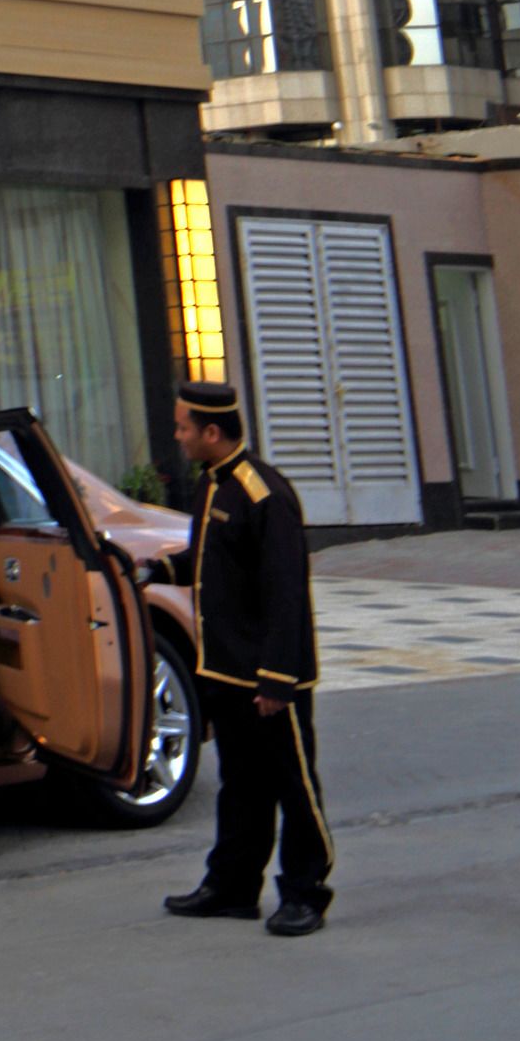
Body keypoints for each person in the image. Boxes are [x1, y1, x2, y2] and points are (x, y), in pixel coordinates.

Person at [159, 379, 332, 937]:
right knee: (241, 785)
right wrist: (150, 570)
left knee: (294, 788)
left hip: (268, 678)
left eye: (183, 427)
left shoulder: (264, 494)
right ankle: (232, 887)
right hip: (225, 670)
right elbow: (209, 561)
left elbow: (286, 593)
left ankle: (305, 893)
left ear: (212, 431)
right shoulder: (213, 483)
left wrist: (277, 680)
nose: (178, 436)